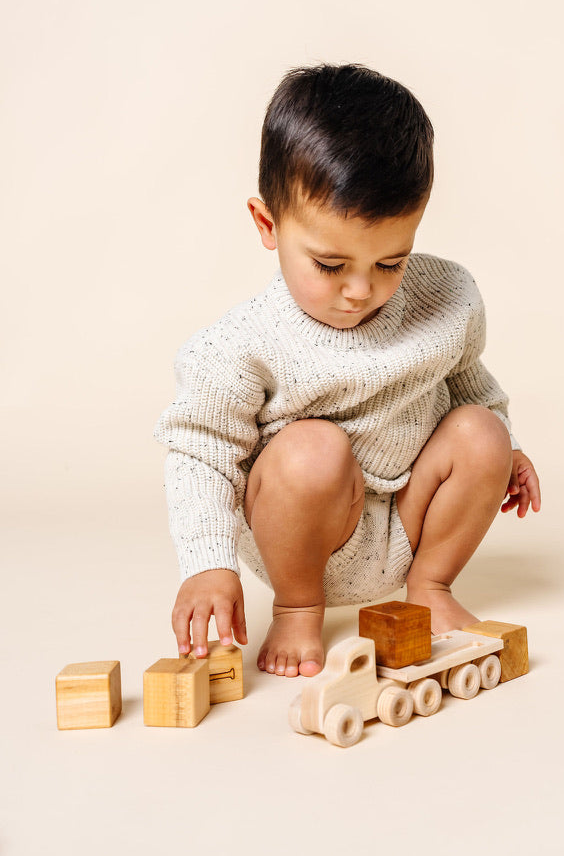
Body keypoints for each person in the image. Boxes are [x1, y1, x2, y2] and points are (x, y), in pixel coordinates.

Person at [154, 64, 541, 678]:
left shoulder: (446, 297)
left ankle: (431, 587)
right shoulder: (240, 345)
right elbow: (201, 452)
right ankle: (297, 610)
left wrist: (507, 449)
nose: (361, 290)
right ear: (268, 225)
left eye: (390, 262)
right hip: (303, 538)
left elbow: (469, 379)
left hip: (411, 520)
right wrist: (208, 563)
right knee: (311, 449)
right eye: (330, 266)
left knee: (481, 431)